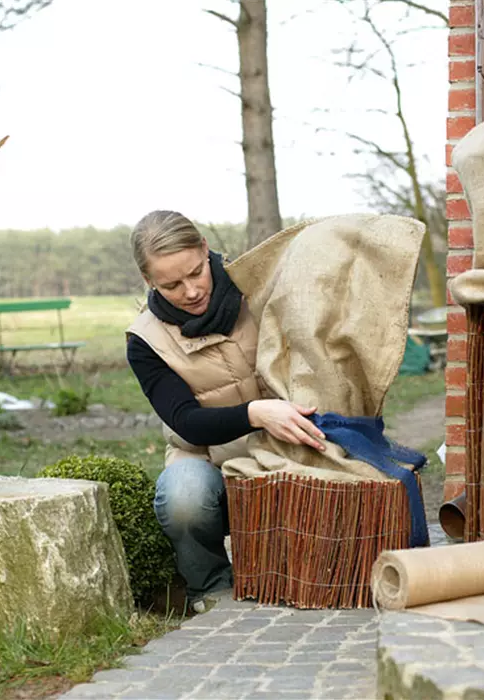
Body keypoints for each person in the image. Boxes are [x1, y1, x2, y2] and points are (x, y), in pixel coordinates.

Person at [125, 210, 326, 613]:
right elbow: (184, 421)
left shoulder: (257, 286)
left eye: (196, 272)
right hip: (207, 460)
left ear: (205, 249)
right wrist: (256, 413)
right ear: (148, 281)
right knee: (182, 497)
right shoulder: (144, 340)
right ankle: (212, 591)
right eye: (171, 285)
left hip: (288, 443)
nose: (191, 291)